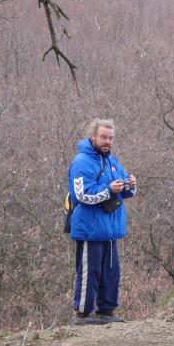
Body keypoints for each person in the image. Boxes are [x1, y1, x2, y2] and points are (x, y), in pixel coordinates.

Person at [67, 118, 137, 325]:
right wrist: (109, 190)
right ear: (93, 137)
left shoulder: (112, 161)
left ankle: (107, 311)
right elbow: (81, 195)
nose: (107, 141)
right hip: (90, 228)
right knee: (90, 273)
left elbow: (125, 191)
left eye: (110, 138)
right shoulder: (82, 161)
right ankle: (82, 314)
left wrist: (130, 185)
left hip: (110, 229)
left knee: (111, 273)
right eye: (104, 137)